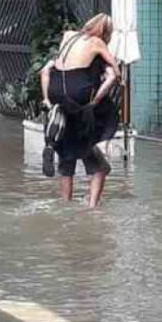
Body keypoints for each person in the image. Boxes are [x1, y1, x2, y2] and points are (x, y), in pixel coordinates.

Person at [40, 14, 121, 208]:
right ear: (105, 32)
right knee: (100, 165)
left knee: (67, 159)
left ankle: (65, 205)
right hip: (78, 94)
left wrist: (46, 99)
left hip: (57, 92)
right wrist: (97, 99)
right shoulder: (97, 43)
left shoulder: (68, 35)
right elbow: (115, 72)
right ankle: (92, 207)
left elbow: (47, 69)